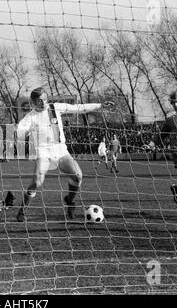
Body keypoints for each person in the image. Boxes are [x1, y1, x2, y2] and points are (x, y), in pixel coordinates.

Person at [15, 87, 114, 222]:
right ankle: (22, 211)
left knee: (78, 176)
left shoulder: (56, 108)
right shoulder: (29, 117)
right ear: (33, 102)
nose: (43, 103)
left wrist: (100, 105)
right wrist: (25, 132)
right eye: (39, 101)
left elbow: (78, 108)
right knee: (37, 182)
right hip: (43, 151)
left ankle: (70, 201)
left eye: (44, 99)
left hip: (60, 149)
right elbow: (19, 133)